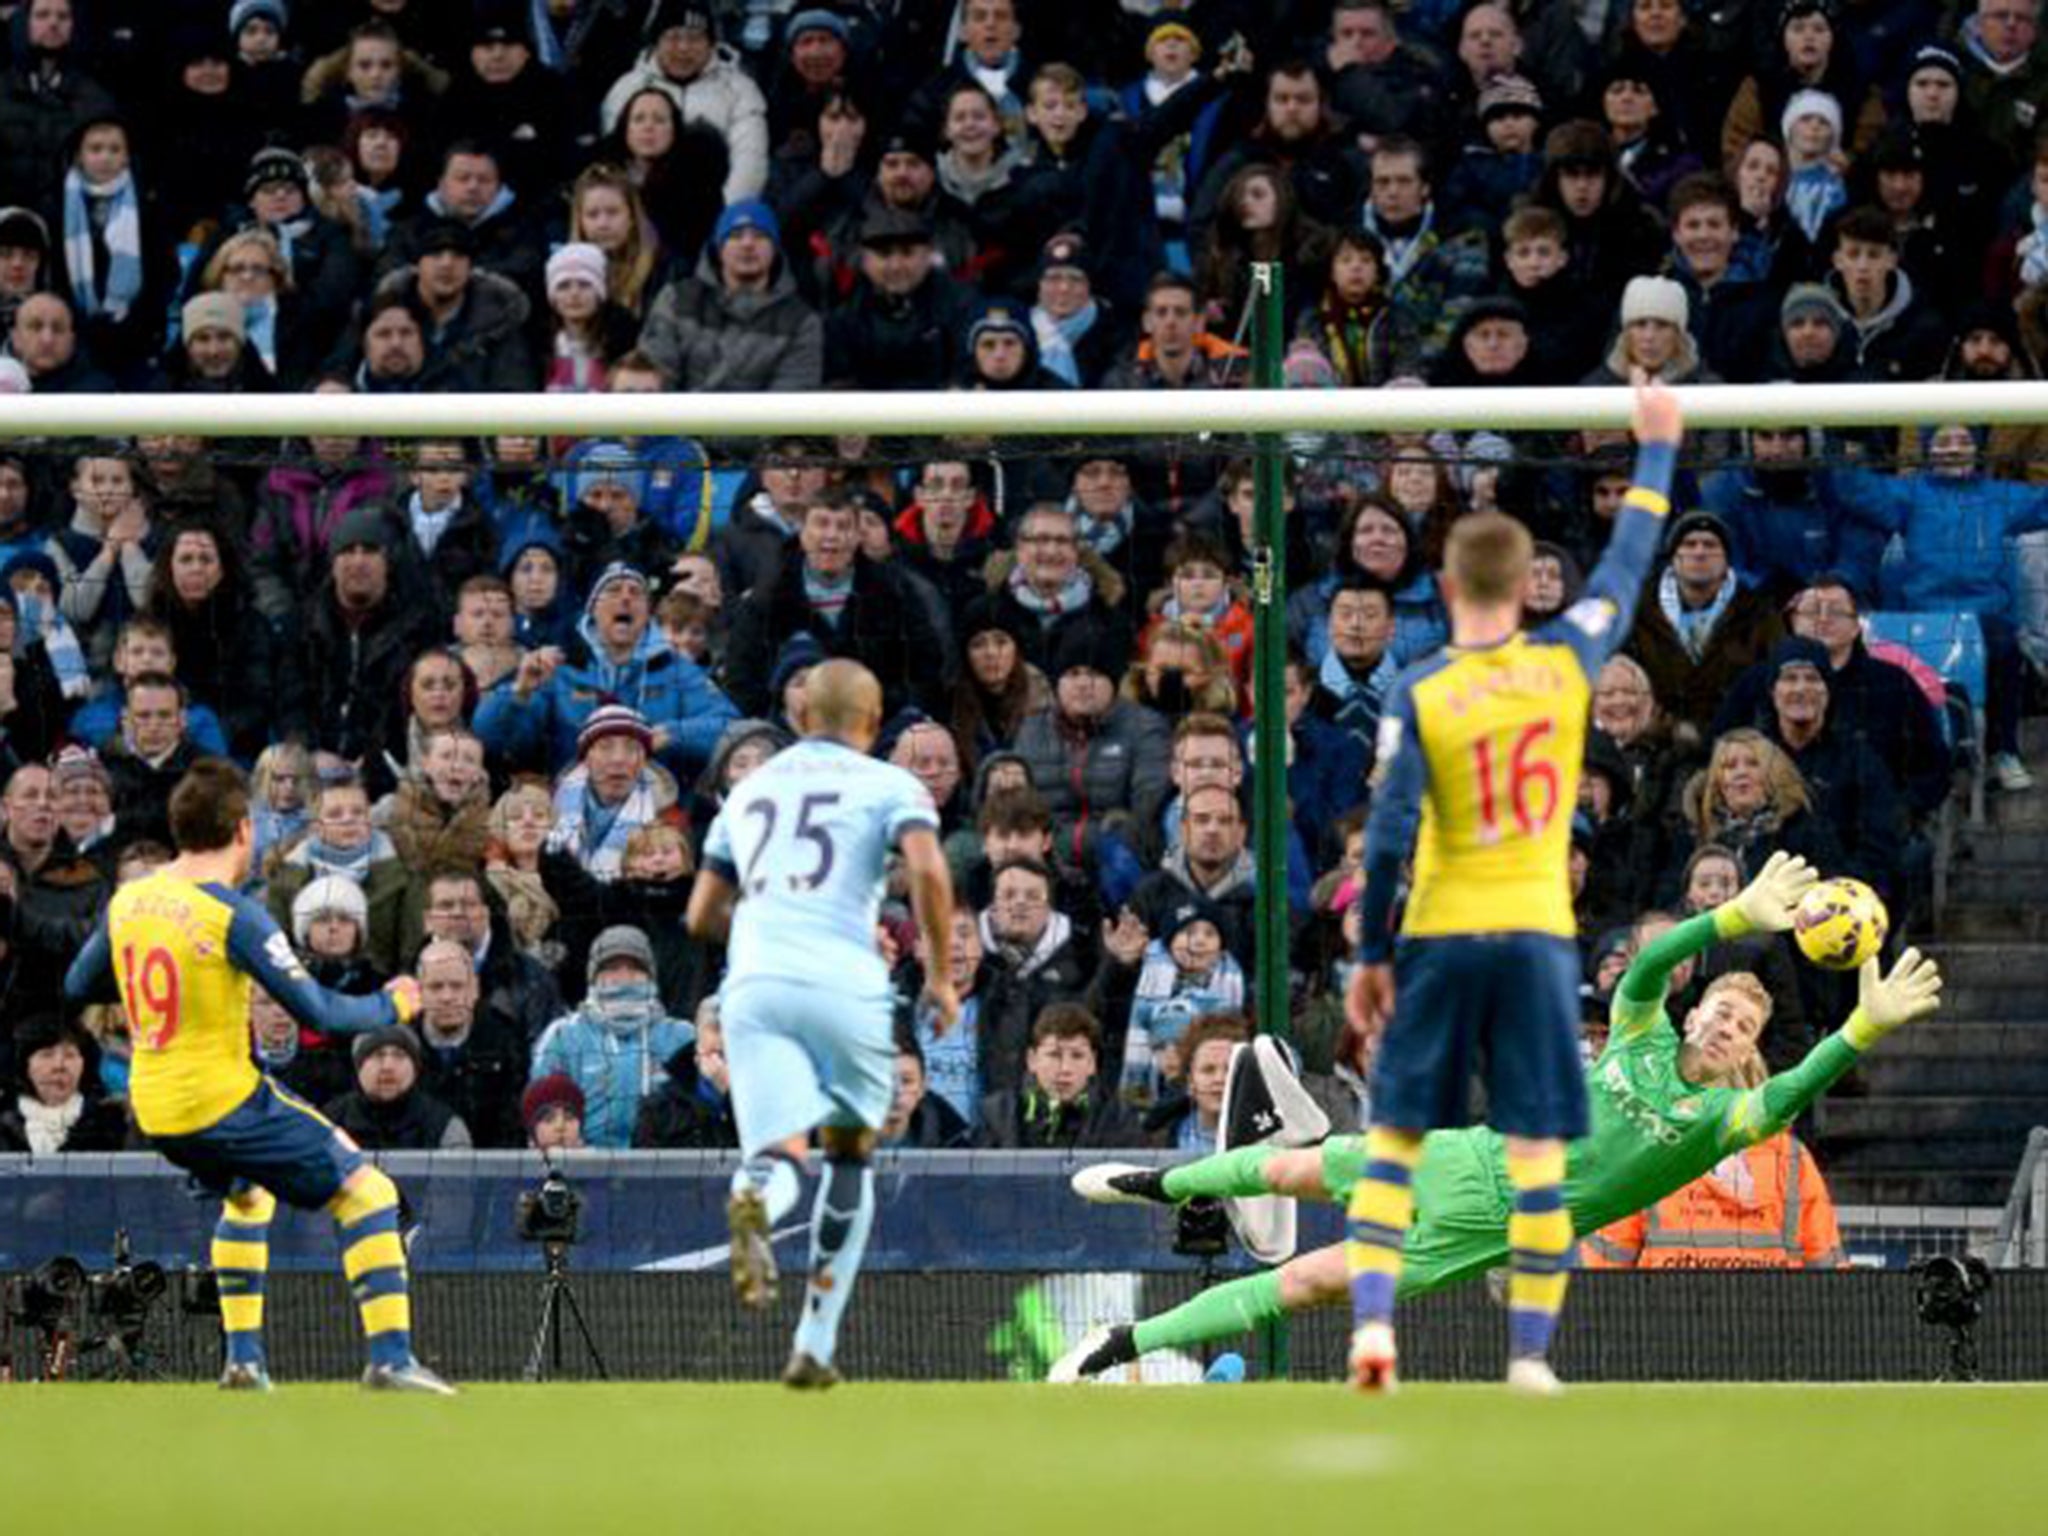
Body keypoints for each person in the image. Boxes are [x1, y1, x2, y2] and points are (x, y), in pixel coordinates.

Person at [1054, 854, 1943, 1381]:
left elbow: (1791, 1094)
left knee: (1310, 1282)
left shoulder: (1724, 1119)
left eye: (1743, 1026)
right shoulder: (1638, 1031)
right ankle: (1158, 1181)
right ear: (1696, 1009)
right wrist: (1732, 915)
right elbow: (1648, 967)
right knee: (1294, 1166)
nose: (1722, 1023)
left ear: (1749, 1049)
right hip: (1466, 1157)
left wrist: (1860, 1028)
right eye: (1717, 1008)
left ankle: (1119, 1342)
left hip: (1489, 1230)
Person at [1336, 374, 1682, 1395]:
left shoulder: (1421, 689)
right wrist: (1654, 449)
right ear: (1529, 582)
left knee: (1393, 1142)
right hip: (1535, 938)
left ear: (1444, 591)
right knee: (1537, 1158)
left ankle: (1371, 1335)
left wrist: (1366, 955)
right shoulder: (1567, 660)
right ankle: (1527, 1358)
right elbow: (1623, 567)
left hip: (1441, 936)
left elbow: (1389, 831)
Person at [62, 759, 449, 1393]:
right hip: (221, 1100)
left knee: (248, 1195)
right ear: (244, 830)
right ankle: (392, 1359)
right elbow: (318, 1012)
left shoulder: (132, 899)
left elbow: (79, 984)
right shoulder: (232, 914)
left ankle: (244, 1361)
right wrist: (394, 1004)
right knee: (369, 1193)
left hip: (155, 1107)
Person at [686, 659, 958, 1388]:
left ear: (801, 719)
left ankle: (755, 1201)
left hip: (755, 983)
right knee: (847, 1156)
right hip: (844, 982)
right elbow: (928, 870)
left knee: (776, 1155)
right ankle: (815, 1343)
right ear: (872, 725)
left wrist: (767, 917)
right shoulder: (890, 783)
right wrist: (937, 974)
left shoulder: (749, 791)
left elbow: (699, 914)